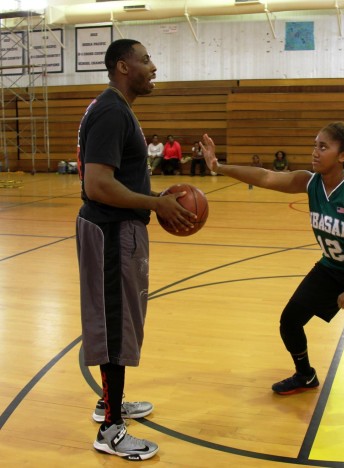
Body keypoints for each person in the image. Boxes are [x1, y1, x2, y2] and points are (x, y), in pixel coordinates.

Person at [200, 121, 344, 433]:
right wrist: (218, 166)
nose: (315, 152)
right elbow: (265, 177)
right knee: (290, 321)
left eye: (323, 147)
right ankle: (305, 374)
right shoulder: (310, 182)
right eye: (315, 144)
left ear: (343, 155)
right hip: (333, 265)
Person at [76, 39, 197, 460]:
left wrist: (152, 194)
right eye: (146, 60)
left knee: (122, 320)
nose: (154, 66)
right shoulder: (111, 110)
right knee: (115, 324)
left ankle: (109, 400)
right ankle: (111, 428)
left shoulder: (113, 108)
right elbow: (98, 184)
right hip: (110, 231)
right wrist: (155, 203)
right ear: (123, 67)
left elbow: (116, 178)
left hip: (117, 228)